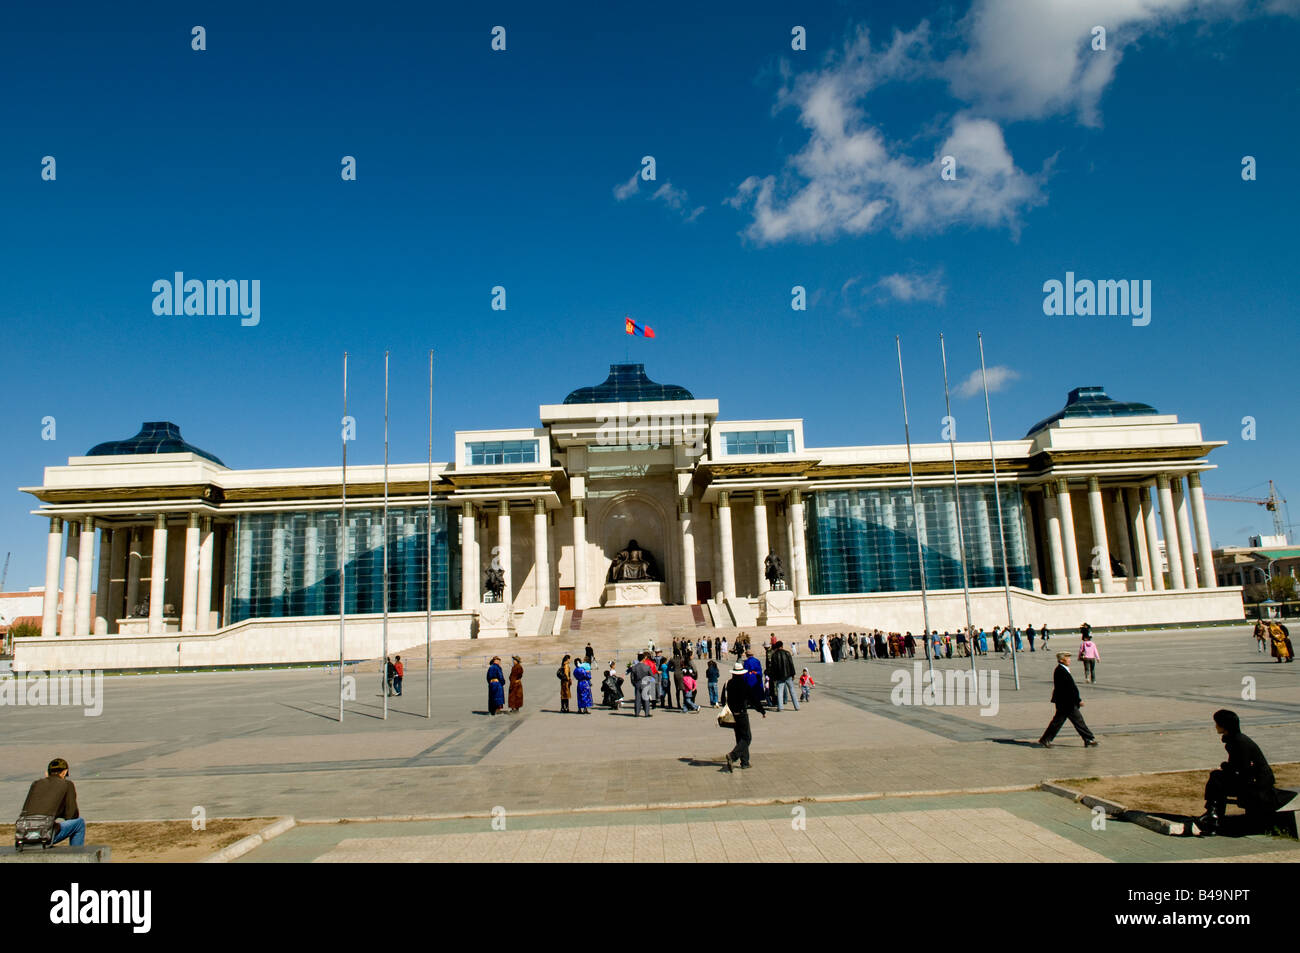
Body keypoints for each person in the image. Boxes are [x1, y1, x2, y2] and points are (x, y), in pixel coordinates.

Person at [1196, 709, 1284, 835]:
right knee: (1217, 778)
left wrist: (1226, 767)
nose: (1215, 726)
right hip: (1251, 780)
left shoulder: (1239, 742)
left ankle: (1213, 815)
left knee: (1216, 778)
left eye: (1217, 723)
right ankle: (1213, 815)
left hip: (1257, 785)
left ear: (1224, 725)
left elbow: (1244, 770)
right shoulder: (1235, 739)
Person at [1038, 652, 1098, 748]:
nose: (1069, 660)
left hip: (1065, 702)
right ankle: (1088, 739)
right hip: (1066, 702)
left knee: (1061, 721)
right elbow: (1069, 688)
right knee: (1076, 721)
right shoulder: (1060, 671)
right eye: (1067, 658)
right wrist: (1078, 700)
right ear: (1061, 660)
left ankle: (1046, 739)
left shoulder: (1062, 669)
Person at [20, 758, 84, 847]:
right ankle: (78, 856)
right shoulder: (67, 784)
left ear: (47, 773)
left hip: (23, 833)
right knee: (79, 823)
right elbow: (71, 815)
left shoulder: (36, 784)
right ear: (64, 772)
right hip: (44, 834)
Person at [720, 661, 765, 771]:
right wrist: (761, 710)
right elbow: (753, 699)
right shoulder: (744, 685)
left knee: (740, 738)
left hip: (732, 714)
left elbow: (722, 700)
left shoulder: (728, 683)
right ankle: (733, 756)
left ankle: (745, 762)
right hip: (742, 714)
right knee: (747, 737)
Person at [768, 640, 798, 711]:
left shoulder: (774, 655)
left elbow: (773, 668)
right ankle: (797, 706)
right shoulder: (787, 653)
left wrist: (774, 677)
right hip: (788, 675)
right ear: (782, 646)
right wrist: (793, 674)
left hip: (779, 676)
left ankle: (780, 707)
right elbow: (791, 664)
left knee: (780, 691)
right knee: (792, 690)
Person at [632, 653, 654, 717]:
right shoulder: (647, 667)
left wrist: (635, 684)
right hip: (645, 683)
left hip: (637, 684)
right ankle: (646, 713)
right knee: (646, 699)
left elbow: (632, 678)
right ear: (644, 659)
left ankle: (637, 713)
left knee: (637, 699)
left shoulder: (634, 667)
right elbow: (651, 676)